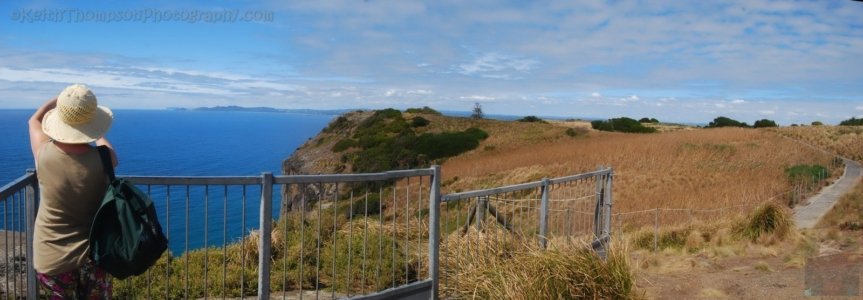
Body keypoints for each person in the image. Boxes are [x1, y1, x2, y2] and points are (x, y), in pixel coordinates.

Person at [29, 84, 116, 299]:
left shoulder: (43, 154)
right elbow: (103, 143)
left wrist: (59, 99)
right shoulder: (105, 158)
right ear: (93, 124)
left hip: (51, 256)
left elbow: (33, 121)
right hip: (94, 255)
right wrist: (92, 128)